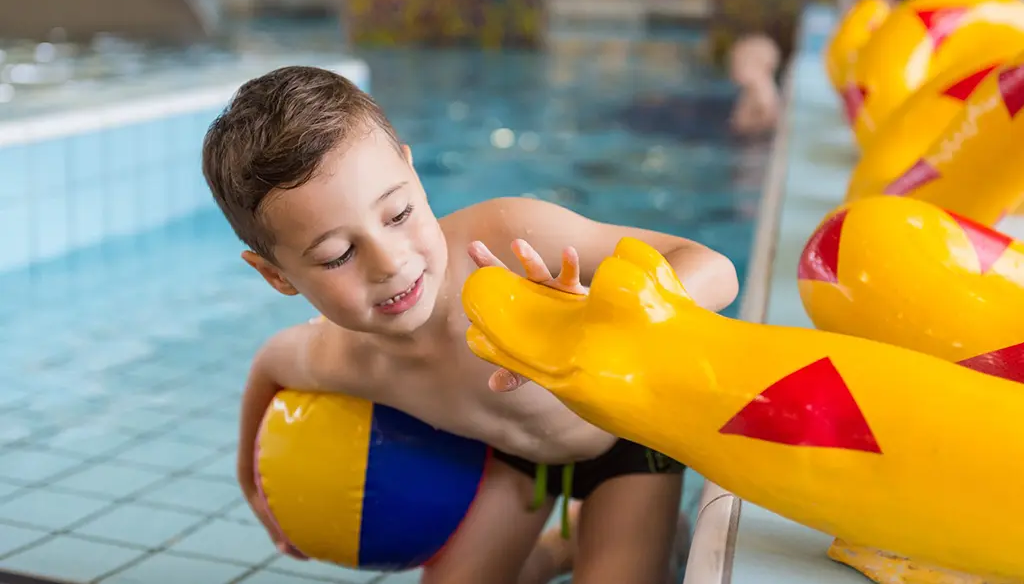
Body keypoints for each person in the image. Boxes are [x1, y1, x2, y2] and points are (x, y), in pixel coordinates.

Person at [202, 66, 739, 584]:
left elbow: (715, 269)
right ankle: (564, 548)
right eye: (339, 255)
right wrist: (253, 486)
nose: (388, 262)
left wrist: (609, 323)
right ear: (277, 276)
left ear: (413, 173)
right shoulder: (345, 357)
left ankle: (643, 534)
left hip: (628, 439)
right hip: (517, 460)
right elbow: (270, 363)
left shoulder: (512, 240)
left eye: (397, 214)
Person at [727, 33, 782, 135]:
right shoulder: (749, 90)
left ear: (761, 67)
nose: (732, 69)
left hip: (755, 142)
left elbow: (770, 120)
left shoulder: (763, 94)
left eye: (738, 64)